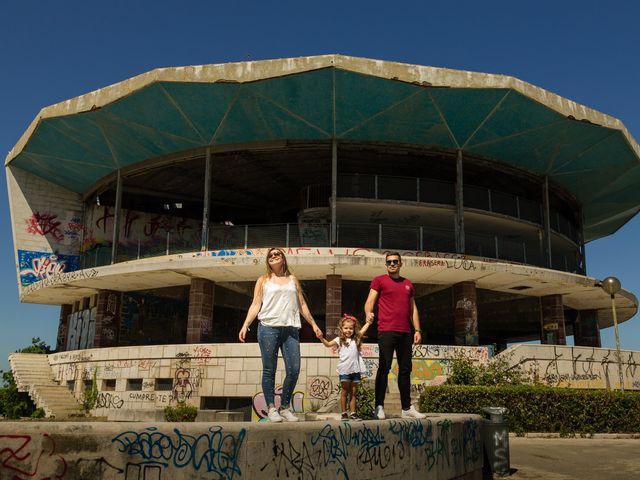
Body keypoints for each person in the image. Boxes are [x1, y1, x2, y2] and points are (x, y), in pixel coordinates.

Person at [239, 247, 322, 422]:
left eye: (277, 254)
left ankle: (284, 407)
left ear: (283, 258)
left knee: (294, 369)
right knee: (270, 370)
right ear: (268, 261)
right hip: (268, 328)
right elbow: (256, 304)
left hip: (290, 329)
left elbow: (302, 305)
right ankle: (271, 408)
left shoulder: (293, 279)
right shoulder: (263, 280)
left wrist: (314, 324)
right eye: (270, 255)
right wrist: (246, 324)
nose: (274, 256)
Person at [364, 251, 427, 420]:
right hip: (386, 331)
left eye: (395, 261)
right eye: (389, 262)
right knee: (384, 368)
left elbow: (413, 309)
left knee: (405, 370)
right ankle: (379, 406)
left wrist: (418, 330)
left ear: (400, 264)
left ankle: (406, 408)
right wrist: (368, 313)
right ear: (386, 264)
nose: (392, 264)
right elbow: (369, 302)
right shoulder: (379, 281)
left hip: (405, 332)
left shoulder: (408, 284)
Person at [319, 314, 372, 421]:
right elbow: (328, 344)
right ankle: (344, 413)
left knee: (353, 393)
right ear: (341, 329)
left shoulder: (356, 338)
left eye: (351, 328)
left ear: (354, 329)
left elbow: (362, 331)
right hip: (344, 370)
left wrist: (369, 323)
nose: (348, 330)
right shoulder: (339, 339)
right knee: (344, 391)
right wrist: (321, 338)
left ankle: (353, 413)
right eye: (346, 328)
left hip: (355, 369)